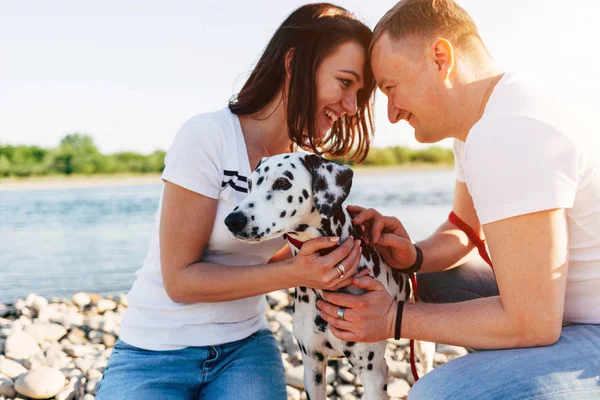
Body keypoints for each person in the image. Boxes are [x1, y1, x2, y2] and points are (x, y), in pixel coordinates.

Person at [315, 0, 600, 398]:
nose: (393, 114)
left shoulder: (510, 130)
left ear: (440, 58)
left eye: (391, 89)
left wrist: (392, 319)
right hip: (561, 311)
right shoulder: (486, 121)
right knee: (434, 278)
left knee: (438, 394)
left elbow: (533, 323)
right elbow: (464, 230)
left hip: (589, 331)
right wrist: (412, 255)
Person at [96, 4, 377, 399]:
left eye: (359, 93)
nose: (351, 106)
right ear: (294, 64)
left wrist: (347, 235)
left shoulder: (304, 167)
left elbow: (266, 256)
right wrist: (300, 272)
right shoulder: (207, 137)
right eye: (345, 82)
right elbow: (180, 281)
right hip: (153, 351)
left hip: (244, 349)